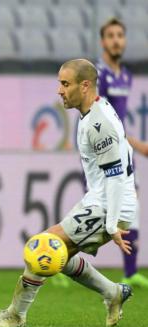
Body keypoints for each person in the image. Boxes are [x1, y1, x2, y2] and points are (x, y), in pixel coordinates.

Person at [0, 59, 136, 327]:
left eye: (65, 84)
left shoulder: (99, 124)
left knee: (43, 246)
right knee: (57, 254)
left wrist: (111, 224)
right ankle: (112, 292)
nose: (59, 90)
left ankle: (16, 314)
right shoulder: (95, 111)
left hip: (109, 204)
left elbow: (116, 176)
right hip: (101, 200)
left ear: (84, 86)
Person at [97, 17, 148, 288]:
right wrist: (139, 145)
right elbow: (103, 121)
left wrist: (131, 146)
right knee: (97, 213)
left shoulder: (125, 75)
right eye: (111, 35)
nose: (116, 40)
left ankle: (130, 272)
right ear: (103, 41)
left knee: (133, 207)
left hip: (123, 150)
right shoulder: (99, 75)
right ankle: (55, 254)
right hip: (104, 151)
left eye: (120, 35)